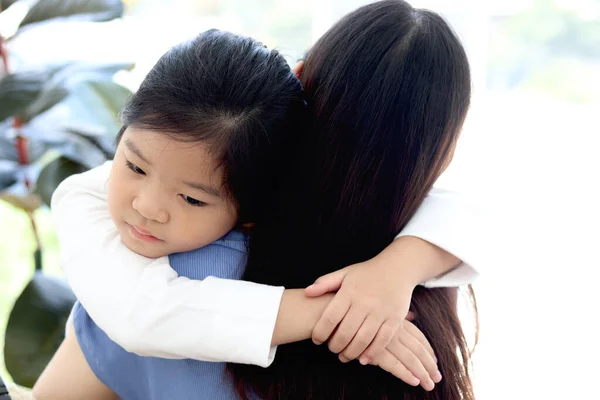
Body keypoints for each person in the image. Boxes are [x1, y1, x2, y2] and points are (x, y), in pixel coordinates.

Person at [32, 2, 479, 399]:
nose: (149, 206)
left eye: (191, 197)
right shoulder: (426, 299)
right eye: (134, 167)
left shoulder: (152, 268)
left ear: (297, 79)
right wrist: (388, 278)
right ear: (447, 153)